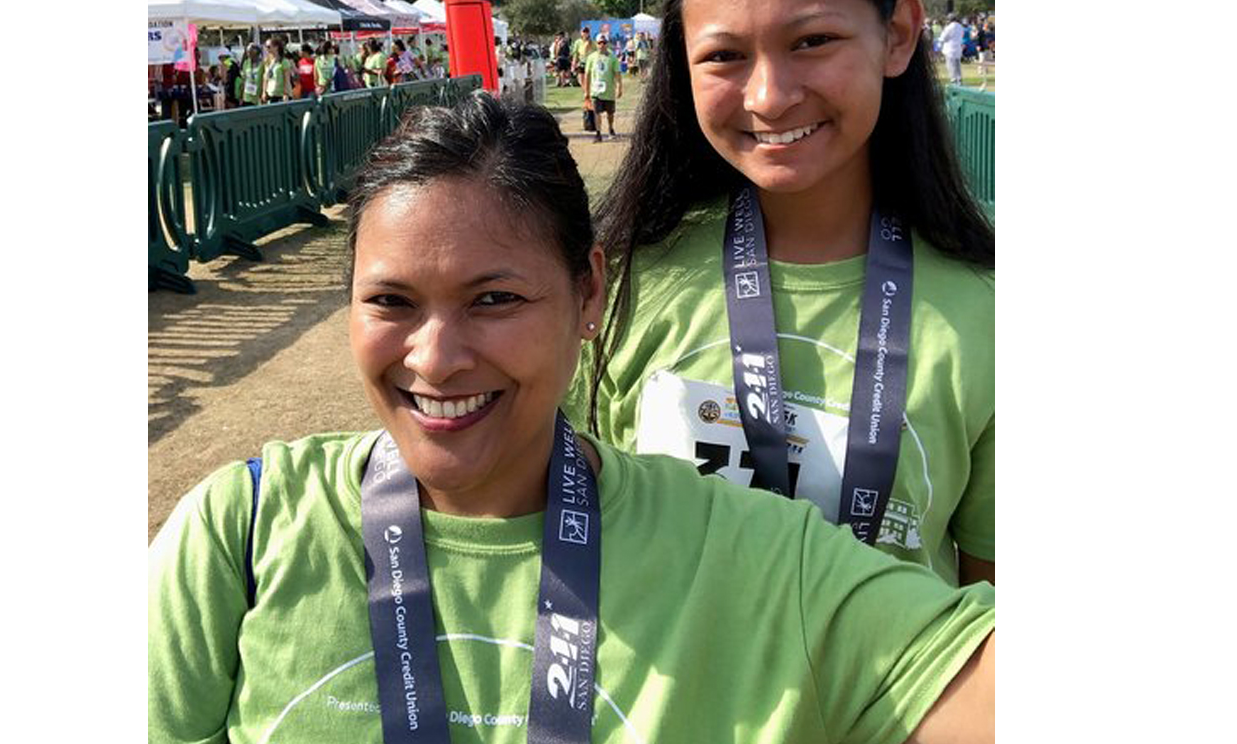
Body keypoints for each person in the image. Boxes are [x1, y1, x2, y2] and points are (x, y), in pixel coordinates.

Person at [149, 92, 995, 743]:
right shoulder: (241, 536)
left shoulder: (750, 554)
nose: (435, 359)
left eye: (495, 298)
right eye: (391, 302)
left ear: (588, 292)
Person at [571, 0, 995, 586]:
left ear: (896, 35)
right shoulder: (616, 282)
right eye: (724, 56)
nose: (769, 96)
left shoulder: (988, 315)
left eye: (812, 40)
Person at [581, 31, 622, 143]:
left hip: (609, 91)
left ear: (607, 43)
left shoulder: (612, 58)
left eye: (604, 42)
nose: (602, 45)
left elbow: (617, 74)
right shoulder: (591, 58)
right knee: (597, 112)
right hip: (596, 91)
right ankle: (598, 133)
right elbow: (588, 75)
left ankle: (610, 128)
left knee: (610, 113)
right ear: (596, 44)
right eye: (599, 43)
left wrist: (619, 87)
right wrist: (586, 91)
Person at [939, 13, 966, 86]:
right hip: (958, 48)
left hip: (949, 49)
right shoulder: (960, 26)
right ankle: (959, 80)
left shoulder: (949, 27)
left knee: (950, 65)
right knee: (957, 65)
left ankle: (953, 80)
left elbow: (943, 38)